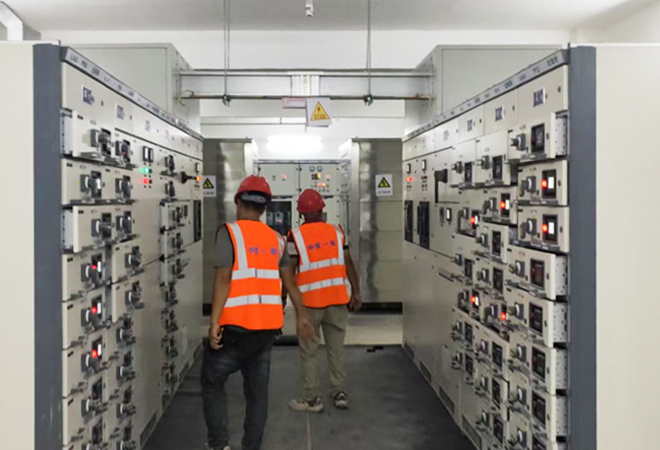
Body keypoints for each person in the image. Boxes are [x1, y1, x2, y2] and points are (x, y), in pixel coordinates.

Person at [202, 175, 315, 450]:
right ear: (265, 208)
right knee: (257, 394)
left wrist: (214, 321)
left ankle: (219, 444)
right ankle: (252, 446)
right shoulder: (277, 240)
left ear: (238, 202)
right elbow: (291, 283)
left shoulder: (229, 233)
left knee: (212, 377)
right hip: (266, 332)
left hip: (234, 330)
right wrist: (301, 316)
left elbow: (223, 279)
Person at [287, 189, 362, 413]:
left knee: (309, 351)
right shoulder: (337, 232)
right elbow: (348, 263)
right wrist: (356, 292)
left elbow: (289, 271)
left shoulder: (295, 236)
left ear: (301, 213)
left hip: (309, 304)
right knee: (336, 349)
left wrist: (282, 298)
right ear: (322, 210)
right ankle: (339, 393)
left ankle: (312, 399)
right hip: (337, 301)